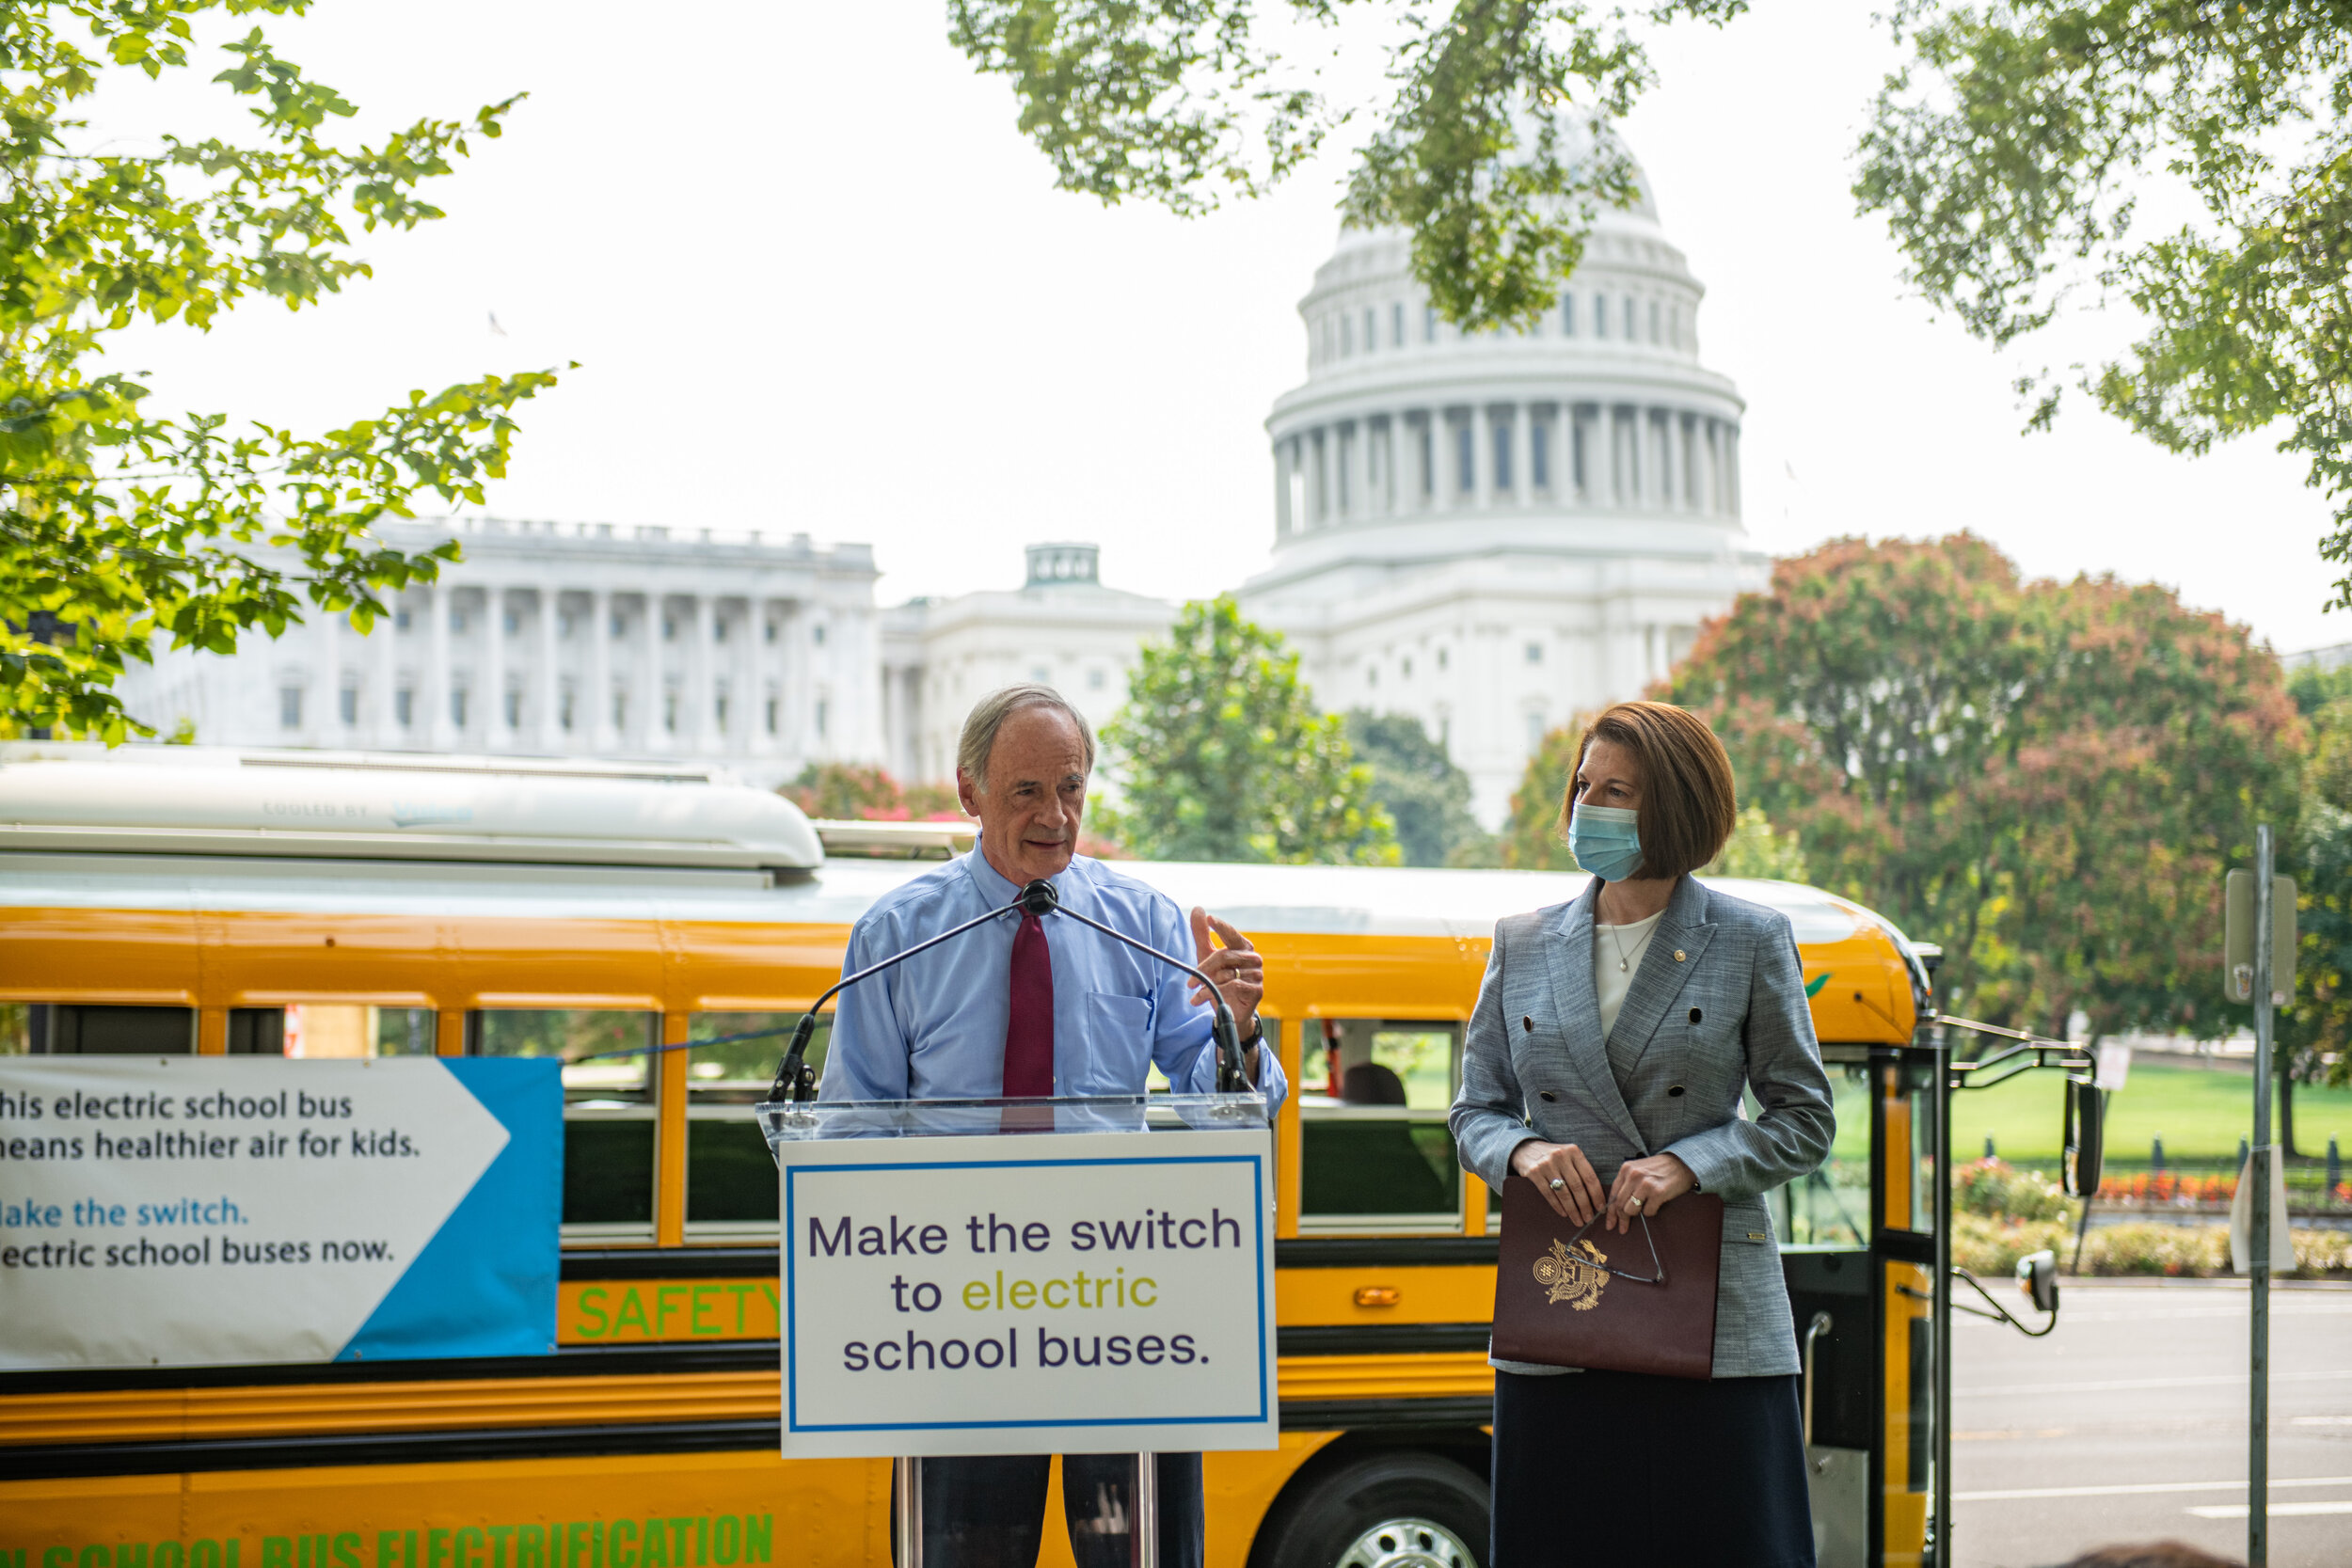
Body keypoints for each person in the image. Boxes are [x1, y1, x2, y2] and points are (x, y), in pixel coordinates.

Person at [820, 682, 1288, 1568]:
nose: (1056, 815)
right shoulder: (896, 934)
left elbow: (1231, 1106)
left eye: (1071, 787)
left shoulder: (1146, 922)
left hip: (1123, 1307)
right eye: (1026, 791)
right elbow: (851, 1132)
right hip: (956, 1315)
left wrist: (1239, 1026)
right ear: (969, 792)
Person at [1449, 700, 1836, 1568]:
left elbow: (1806, 1118)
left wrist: (1690, 1165)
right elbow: (1473, 1110)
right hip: (1563, 1314)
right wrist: (1522, 1151)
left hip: (1717, 1329)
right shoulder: (1521, 943)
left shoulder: (1749, 937)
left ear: (1675, 805)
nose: (1589, 806)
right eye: (1584, 785)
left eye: (1616, 789)